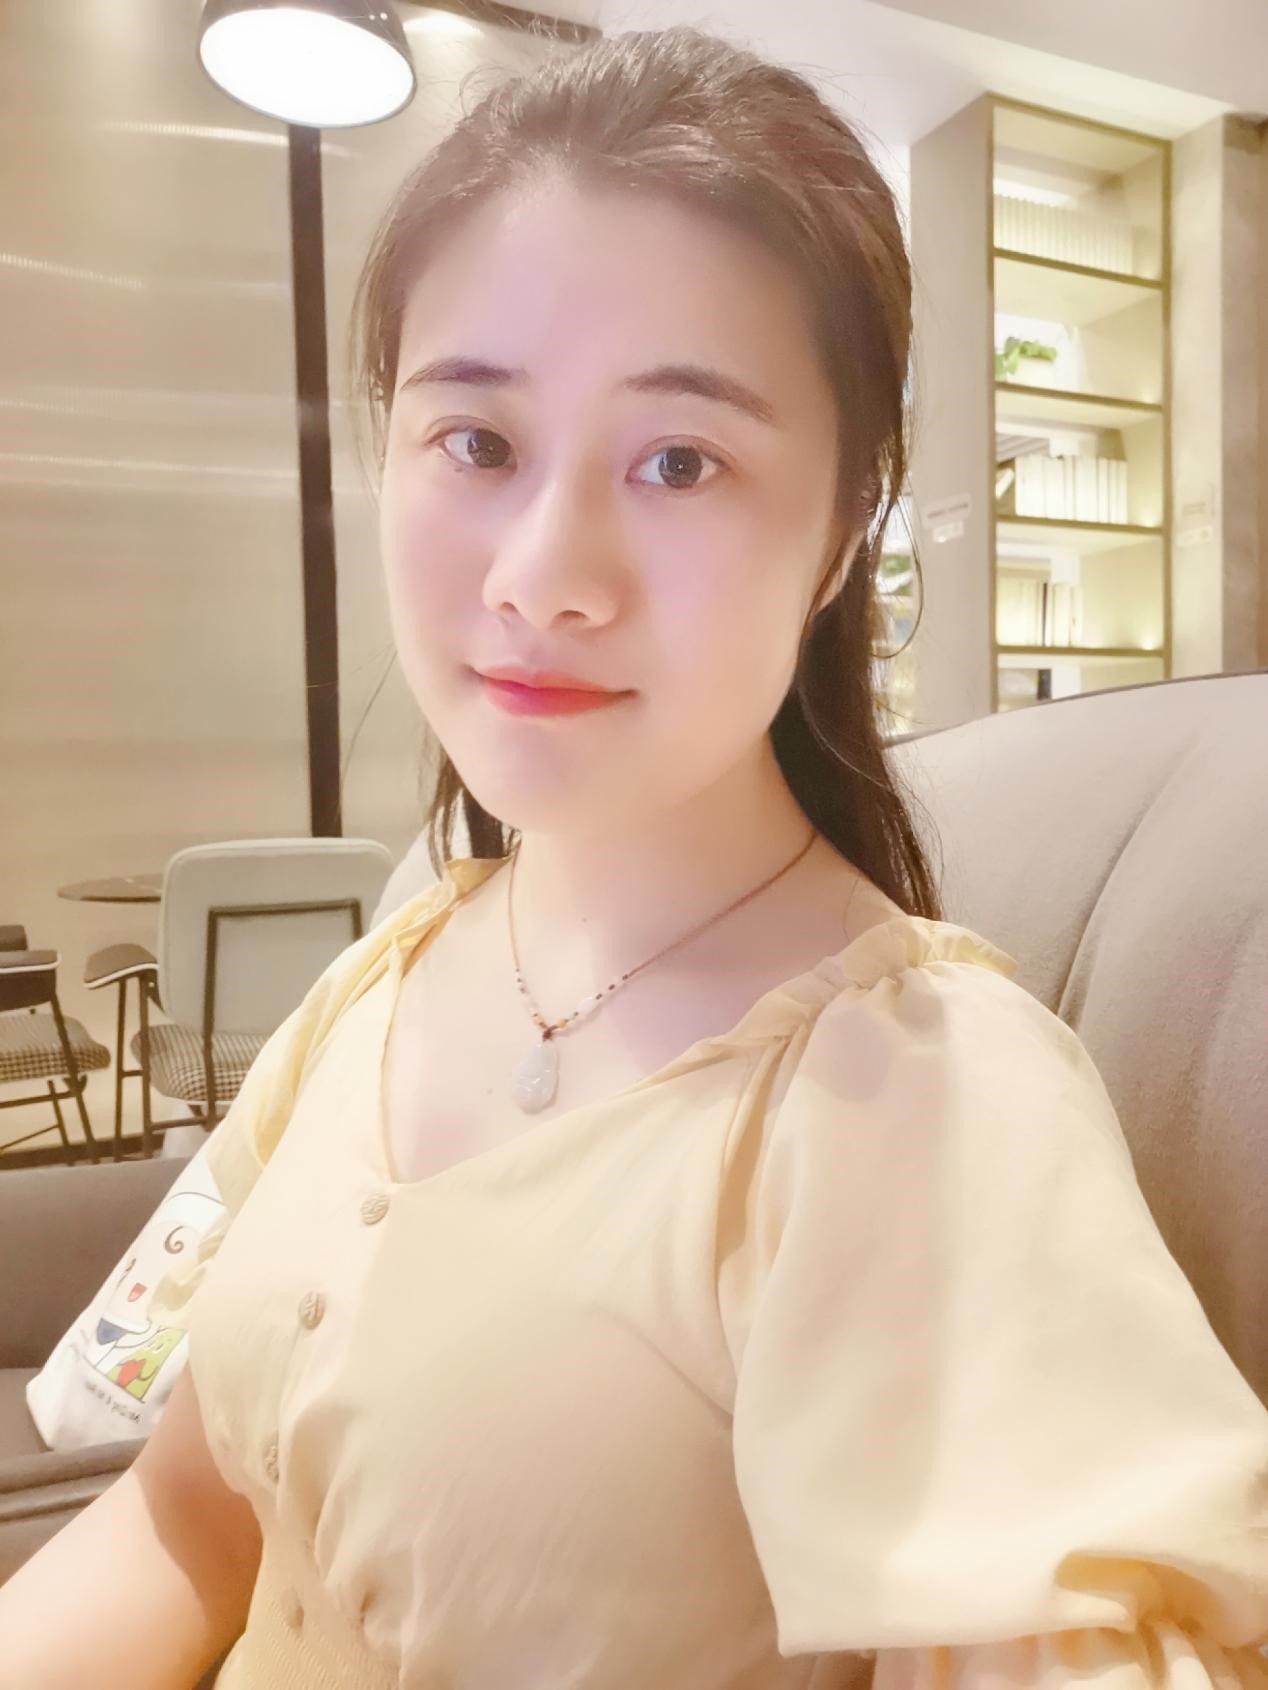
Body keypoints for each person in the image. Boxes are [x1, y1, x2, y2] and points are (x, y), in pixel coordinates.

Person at [4, 24, 1268, 1690]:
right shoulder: (387, 974)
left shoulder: (908, 1106)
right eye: (477, 441)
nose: (542, 572)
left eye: (681, 459)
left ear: (844, 530)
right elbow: (186, 1524)